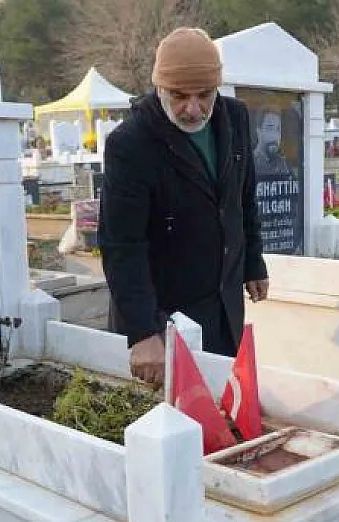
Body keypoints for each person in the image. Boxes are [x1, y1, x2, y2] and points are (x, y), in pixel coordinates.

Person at [98, 27, 269, 387]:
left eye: (204, 94)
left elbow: (243, 196)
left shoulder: (235, 118)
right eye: (178, 96)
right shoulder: (131, 145)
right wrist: (143, 331)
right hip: (165, 313)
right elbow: (121, 244)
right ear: (159, 86)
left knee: (223, 409)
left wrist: (253, 260)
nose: (193, 109)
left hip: (223, 304)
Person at [253, 111, 293, 176]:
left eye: (278, 129)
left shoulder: (283, 164)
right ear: (259, 132)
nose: (275, 136)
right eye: (270, 128)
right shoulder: (250, 162)